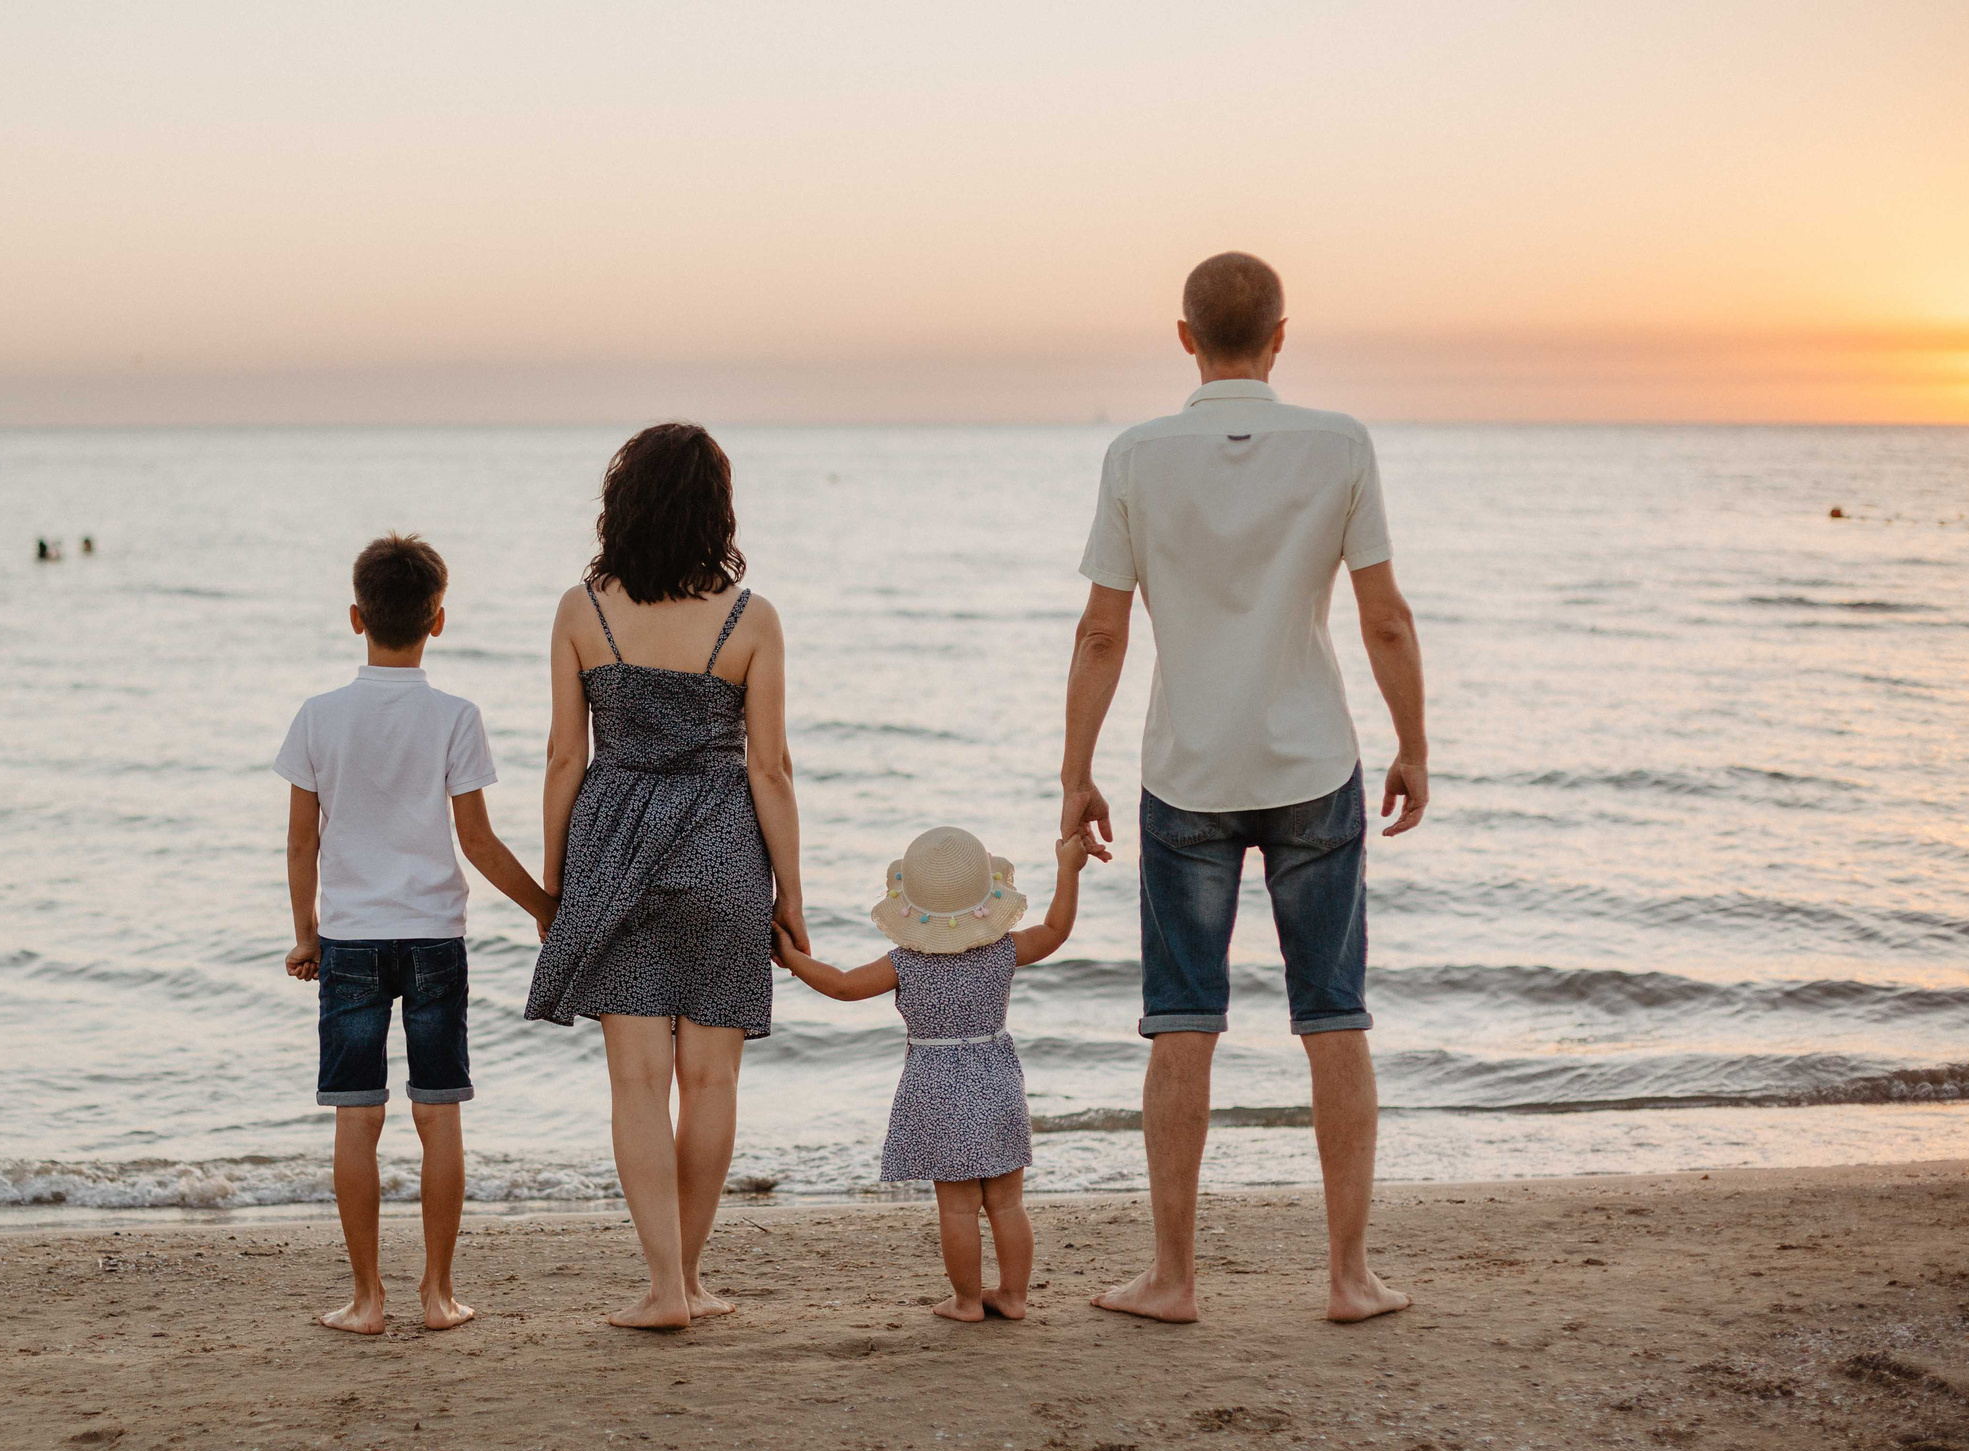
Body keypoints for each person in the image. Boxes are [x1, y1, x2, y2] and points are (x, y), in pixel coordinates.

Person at [1061, 251, 1427, 1326]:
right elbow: (1385, 616)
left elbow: (1100, 631)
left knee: (1182, 1022)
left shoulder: (1136, 454)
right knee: (1334, 1018)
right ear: (1279, 336)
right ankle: (1349, 1278)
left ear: (1184, 336)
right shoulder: (1339, 444)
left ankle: (1172, 1279)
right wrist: (1413, 744)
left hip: (1186, 771)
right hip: (1313, 763)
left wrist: (1075, 773)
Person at [526, 424, 804, 1331]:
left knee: (638, 1080)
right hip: (724, 846)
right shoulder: (751, 619)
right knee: (712, 1081)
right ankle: (689, 1277)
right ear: (717, 510)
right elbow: (771, 770)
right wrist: (791, 892)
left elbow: (565, 757)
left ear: (624, 503)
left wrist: (555, 882)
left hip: (614, 848)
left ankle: (664, 1289)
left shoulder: (583, 610)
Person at [279, 533, 556, 1334]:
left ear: (356, 616)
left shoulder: (318, 717)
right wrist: (542, 906)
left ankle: (367, 1299)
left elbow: (301, 843)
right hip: (435, 938)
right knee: (439, 1116)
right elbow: (478, 841)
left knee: (356, 1118)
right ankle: (438, 1294)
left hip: (351, 940)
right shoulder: (455, 716)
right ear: (438, 619)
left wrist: (306, 934)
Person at [774, 826, 1099, 1322]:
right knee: (1007, 1204)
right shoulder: (1004, 950)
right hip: (997, 1078)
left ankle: (967, 1302)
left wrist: (794, 959)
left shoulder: (904, 963)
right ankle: (1013, 1297)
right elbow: (1056, 930)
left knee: (958, 1208)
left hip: (935, 1089)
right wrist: (1067, 870)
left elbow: (841, 986)